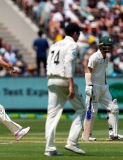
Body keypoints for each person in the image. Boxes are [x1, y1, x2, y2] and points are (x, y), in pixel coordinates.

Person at [45, 23, 86, 156]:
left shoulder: (55, 44)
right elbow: (68, 62)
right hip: (63, 79)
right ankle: (72, 142)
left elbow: (48, 63)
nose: (79, 35)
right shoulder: (72, 44)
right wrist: (70, 84)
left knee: (52, 115)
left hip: (51, 79)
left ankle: (49, 148)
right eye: (78, 33)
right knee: (81, 109)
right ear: (74, 33)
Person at [83, 36, 123, 141]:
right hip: (94, 85)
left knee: (113, 108)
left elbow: (103, 72)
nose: (110, 48)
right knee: (91, 111)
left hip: (103, 86)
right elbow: (88, 70)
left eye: (110, 46)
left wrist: (105, 84)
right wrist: (89, 85)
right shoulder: (94, 57)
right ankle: (86, 135)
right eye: (108, 46)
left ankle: (113, 134)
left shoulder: (106, 58)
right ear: (101, 46)